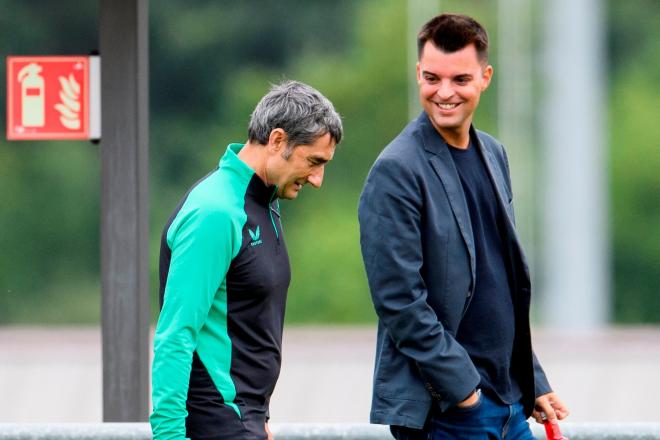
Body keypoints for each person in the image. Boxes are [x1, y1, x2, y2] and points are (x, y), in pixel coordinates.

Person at [358, 13, 569, 439]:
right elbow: (399, 302)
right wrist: (465, 392)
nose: (444, 93)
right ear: (418, 72)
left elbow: (499, 283)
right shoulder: (396, 170)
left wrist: (535, 380)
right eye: (432, 78)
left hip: (511, 404)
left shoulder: (494, 153)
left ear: (485, 77)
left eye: (460, 79)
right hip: (450, 413)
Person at [150, 80, 342, 440]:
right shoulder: (215, 212)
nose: (318, 179)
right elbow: (174, 336)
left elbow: (249, 323)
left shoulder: (265, 202)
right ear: (278, 140)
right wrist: (168, 437)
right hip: (216, 424)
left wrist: (259, 415)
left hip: (246, 420)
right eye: (314, 162)